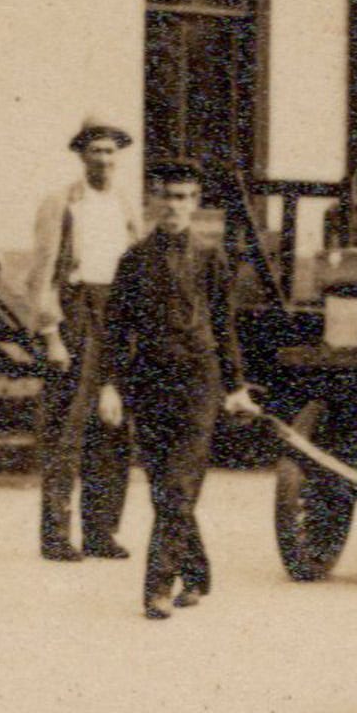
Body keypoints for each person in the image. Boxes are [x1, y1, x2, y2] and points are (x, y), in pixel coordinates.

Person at [95, 166, 259, 620]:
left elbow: (225, 329)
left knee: (179, 486)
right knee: (164, 490)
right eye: (167, 196)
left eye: (184, 197)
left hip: (198, 381)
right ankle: (198, 572)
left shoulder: (210, 259)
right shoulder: (132, 260)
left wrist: (236, 387)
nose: (174, 205)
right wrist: (110, 386)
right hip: (148, 382)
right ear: (152, 200)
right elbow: (115, 331)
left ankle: (157, 588)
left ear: (195, 203)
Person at [28, 120, 143, 562]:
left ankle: (101, 532)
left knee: (114, 426)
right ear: (81, 155)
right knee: (68, 426)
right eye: (95, 150)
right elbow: (41, 276)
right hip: (76, 314)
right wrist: (51, 334)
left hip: (118, 312)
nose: (104, 159)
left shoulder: (123, 205)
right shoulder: (60, 204)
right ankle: (57, 534)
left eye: (111, 152)